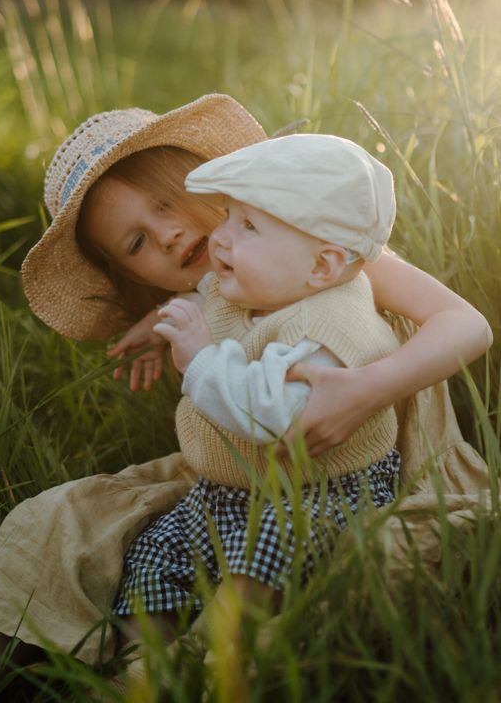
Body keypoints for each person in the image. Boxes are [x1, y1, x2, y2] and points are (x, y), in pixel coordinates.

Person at [0, 95, 492, 703]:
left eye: (166, 203)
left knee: (279, 575)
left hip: (360, 465)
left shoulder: (326, 246)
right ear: (133, 275)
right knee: (62, 519)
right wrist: (172, 316)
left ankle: (167, 672)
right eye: (137, 243)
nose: (166, 236)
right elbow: (215, 298)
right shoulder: (221, 287)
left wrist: (369, 389)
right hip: (241, 469)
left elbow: (468, 324)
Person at [112, 132, 403, 632]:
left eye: (247, 225)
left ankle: (210, 654)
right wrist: (170, 315)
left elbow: (272, 415)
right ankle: (139, 655)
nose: (221, 237)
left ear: (323, 265)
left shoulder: (325, 332)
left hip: (318, 491)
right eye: (227, 214)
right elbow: (211, 296)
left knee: (264, 556)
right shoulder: (261, 286)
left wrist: (201, 359)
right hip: (230, 488)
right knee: (155, 554)